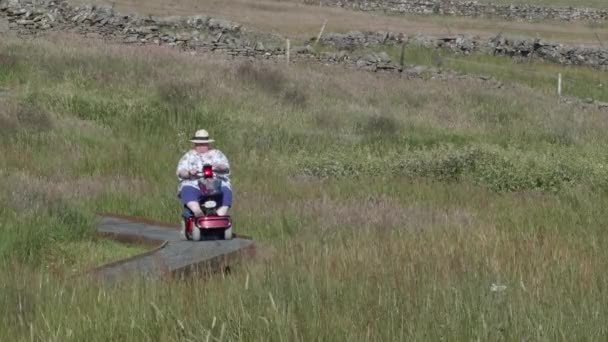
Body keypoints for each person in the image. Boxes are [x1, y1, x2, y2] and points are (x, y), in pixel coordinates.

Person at [176, 129, 232, 217]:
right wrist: (189, 172)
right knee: (186, 188)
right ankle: (198, 212)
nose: (201, 146)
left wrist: (218, 166)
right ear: (195, 144)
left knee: (226, 189)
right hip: (195, 182)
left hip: (215, 182)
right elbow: (181, 171)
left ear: (208, 144)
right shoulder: (189, 156)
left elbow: (226, 167)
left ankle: (220, 214)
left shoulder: (217, 154)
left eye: (203, 144)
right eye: (198, 144)